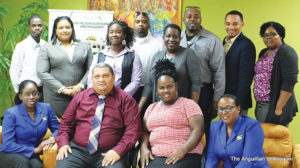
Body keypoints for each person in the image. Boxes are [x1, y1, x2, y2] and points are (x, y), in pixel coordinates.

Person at [55, 63, 141, 168]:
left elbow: (133, 130)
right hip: (78, 152)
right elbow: (65, 124)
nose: (101, 80)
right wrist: (63, 144)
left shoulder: (126, 100)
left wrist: (118, 151)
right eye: (97, 76)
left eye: (105, 76)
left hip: (109, 152)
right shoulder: (80, 97)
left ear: (113, 77)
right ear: (92, 79)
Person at [140, 59, 204, 168]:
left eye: (169, 86)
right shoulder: (151, 108)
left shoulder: (188, 104)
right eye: (161, 88)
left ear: (176, 86)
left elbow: (198, 130)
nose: (166, 91)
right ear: (157, 90)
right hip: (157, 157)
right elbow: (144, 132)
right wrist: (144, 148)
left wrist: (183, 150)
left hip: (186, 155)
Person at [180, 6, 225, 141]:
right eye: (189, 16)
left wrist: (217, 99)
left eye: (196, 16)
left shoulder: (213, 40)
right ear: (183, 19)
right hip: (180, 91)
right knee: (181, 128)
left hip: (203, 92)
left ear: (200, 19)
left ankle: (203, 160)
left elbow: (220, 72)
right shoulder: (176, 37)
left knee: (201, 129)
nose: (192, 19)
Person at [37, 16, 93, 118]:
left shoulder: (85, 46)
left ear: (72, 29)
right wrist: (62, 89)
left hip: (79, 95)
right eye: (61, 28)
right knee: (58, 128)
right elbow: (42, 72)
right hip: (56, 97)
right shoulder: (47, 48)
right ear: (55, 30)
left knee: (79, 126)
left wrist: (80, 85)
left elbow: (91, 68)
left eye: (67, 27)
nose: (64, 30)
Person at [139, 24, 201, 110]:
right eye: (168, 36)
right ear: (163, 38)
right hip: (158, 107)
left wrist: (192, 108)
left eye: (175, 37)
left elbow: (196, 83)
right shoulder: (157, 56)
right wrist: (139, 107)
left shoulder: (188, 54)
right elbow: (149, 84)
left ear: (180, 38)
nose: (171, 39)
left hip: (180, 107)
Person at [0, 80, 60, 168]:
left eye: (34, 93)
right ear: (20, 96)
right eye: (27, 94)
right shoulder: (11, 113)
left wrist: (52, 138)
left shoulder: (46, 108)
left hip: (32, 155)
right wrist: (35, 150)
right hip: (11, 152)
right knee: (23, 164)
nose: (32, 97)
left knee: (37, 166)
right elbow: (8, 144)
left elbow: (59, 128)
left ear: (38, 95)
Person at [205, 94, 270, 168]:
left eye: (229, 108)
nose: (224, 112)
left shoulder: (252, 126)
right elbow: (212, 156)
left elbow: (248, 161)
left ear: (238, 109)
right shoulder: (215, 126)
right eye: (220, 109)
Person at [254, 21, 298, 126]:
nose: (268, 37)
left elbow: (290, 82)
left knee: (274, 140)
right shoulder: (263, 52)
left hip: (273, 104)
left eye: (273, 34)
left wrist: (278, 109)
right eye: (265, 35)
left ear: (281, 35)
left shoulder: (287, 52)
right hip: (261, 104)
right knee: (264, 138)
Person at [87, 20, 142, 96]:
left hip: (123, 100)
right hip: (100, 97)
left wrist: (121, 97)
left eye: (118, 32)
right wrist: (97, 94)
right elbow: (91, 77)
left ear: (124, 35)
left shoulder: (133, 55)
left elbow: (136, 81)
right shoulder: (100, 55)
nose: (114, 35)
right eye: (111, 32)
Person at [223, 10, 256, 116]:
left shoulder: (247, 45)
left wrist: (238, 103)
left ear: (242, 24)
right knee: (226, 132)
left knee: (238, 132)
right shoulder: (225, 41)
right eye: (228, 24)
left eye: (235, 24)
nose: (231, 27)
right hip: (224, 99)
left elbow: (246, 78)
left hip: (237, 102)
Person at [131, 11, 163, 113]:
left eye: (144, 21)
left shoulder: (158, 42)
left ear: (148, 24)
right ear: (133, 24)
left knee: (148, 118)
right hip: (130, 88)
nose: (141, 24)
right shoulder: (127, 42)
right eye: (138, 21)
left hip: (151, 88)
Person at [10, 14, 46, 101]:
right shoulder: (21, 46)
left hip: (41, 91)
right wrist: (19, 92)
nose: (37, 28)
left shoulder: (45, 45)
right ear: (28, 27)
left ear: (42, 27)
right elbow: (14, 70)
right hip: (26, 91)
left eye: (39, 25)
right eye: (34, 25)